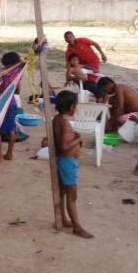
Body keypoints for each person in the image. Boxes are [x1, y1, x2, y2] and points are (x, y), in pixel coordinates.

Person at [53, 90, 93, 239]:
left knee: (64, 191)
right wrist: (78, 139)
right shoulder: (64, 122)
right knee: (72, 195)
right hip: (68, 162)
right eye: (75, 105)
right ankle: (77, 226)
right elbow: (64, 146)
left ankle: (63, 218)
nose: (76, 109)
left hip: (64, 162)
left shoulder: (57, 119)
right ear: (70, 107)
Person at [0, 52, 22, 162]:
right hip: (12, 102)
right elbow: (17, 91)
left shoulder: (2, 72)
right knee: (11, 129)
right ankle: (9, 154)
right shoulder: (17, 74)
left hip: (1, 102)